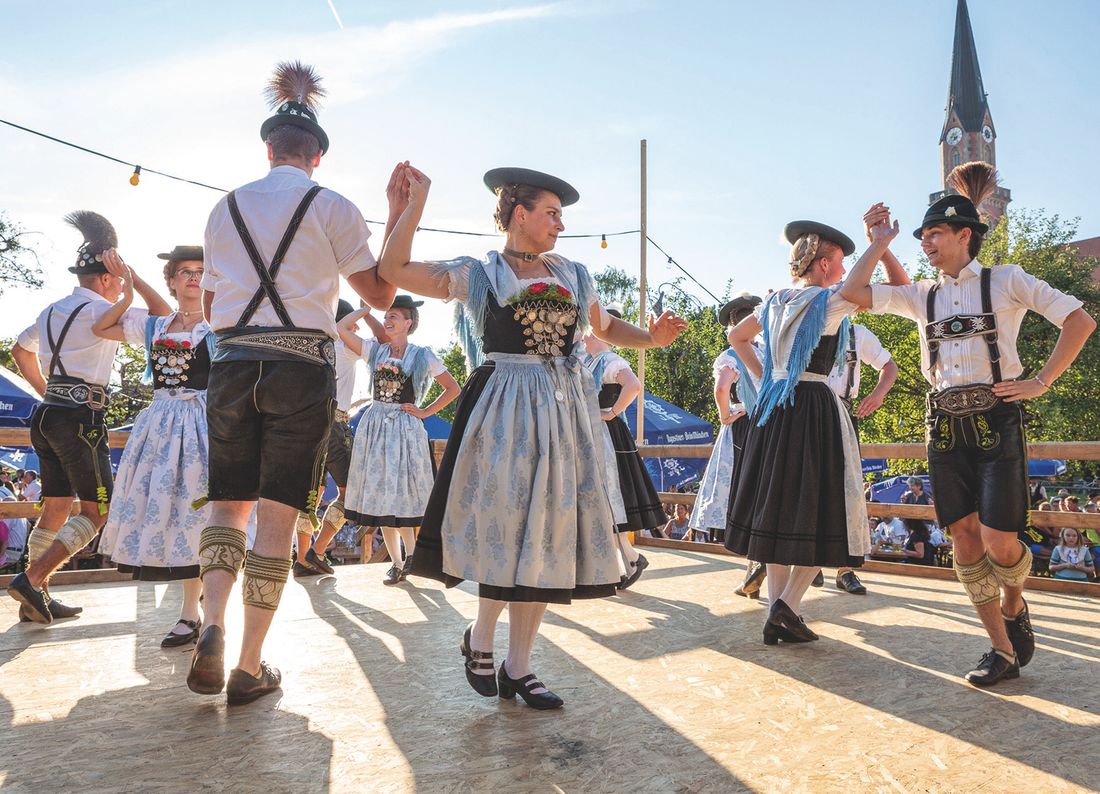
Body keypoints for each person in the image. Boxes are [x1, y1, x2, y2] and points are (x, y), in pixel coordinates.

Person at [379, 164, 685, 709]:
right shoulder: (482, 273)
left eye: (561, 216)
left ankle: (518, 667)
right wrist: (410, 209)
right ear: (519, 213)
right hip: (503, 409)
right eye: (551, 214)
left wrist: (655, 340)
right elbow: (395, 269)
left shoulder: (572, 272)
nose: (559, 225)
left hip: (565, 414)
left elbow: (608, 329)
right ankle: (479, 636)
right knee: (508, 523)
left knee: (547, 534)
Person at [187, 61, 396, 705]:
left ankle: (212, 622)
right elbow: (381, 293)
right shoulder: (331, 205)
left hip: (230, 366)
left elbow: (209, 309)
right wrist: (395, 215)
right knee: (277, 518)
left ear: (267, 147)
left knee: (228, 507)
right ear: (318, 156)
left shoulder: (224, 209)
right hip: (302, 367)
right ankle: (250, 665)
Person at [840, 161, 1096, 686]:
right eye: (922, 235)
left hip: (997, 417)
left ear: (964, 236)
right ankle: (1000, 651)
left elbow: (1080, 319)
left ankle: (1014, 604)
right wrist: (879, 243)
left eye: (934, 233)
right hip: (943, 423)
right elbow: (852, 292)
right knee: (962, 536)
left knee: (1002, 541)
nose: (926, 241)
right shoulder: (920, 296)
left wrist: (1042, 381)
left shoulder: (1006, 281)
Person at [725, 214, 900, 645]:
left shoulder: (775, 302)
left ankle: (780, 611)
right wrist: (879, 243)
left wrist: (768, 372)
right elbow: (868, 285)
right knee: (825, 508)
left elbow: (736, 336)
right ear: (823, 265)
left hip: (774, 407)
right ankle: (786, 607)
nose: (843, 270)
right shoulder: (828, 302)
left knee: (780, 510)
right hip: (813, 408)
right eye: (839, 261)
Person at [6, 212, 171, 623]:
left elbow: (19, 351)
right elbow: (165, 317)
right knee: (98, 511)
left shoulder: (51, 311)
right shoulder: (106, 311)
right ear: (107, 277)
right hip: (81, 419)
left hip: (46, 416)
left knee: (57, 505)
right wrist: (132, 280)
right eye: (114, 278)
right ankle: (33, 578)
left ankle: (36, 596)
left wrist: (48, 392)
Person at [93, 245, 253, 648]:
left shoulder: (220, 326)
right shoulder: (156, 327)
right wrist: (129, 292)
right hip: (160, 429)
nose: (194, 278)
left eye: (201, 271)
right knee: (174, 515)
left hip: (204, 425)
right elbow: (102, 327)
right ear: (172, 280)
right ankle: (190, 613)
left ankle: (198, 611)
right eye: (185, 272)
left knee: (199, 515)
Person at [339, 296, 460, 585]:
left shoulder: (422, 354)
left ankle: (411, 558)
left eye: (394, 316)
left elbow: (453, 388)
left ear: (409, 322)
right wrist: (367, 307)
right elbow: (342, 329)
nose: (388, 319)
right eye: (387, 315)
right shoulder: (375, 351)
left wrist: (425, 411)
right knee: (381, 496)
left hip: (404, 428)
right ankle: (397, 562)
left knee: (403, 495)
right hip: (376, 427)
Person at [292, 299, 388, 579]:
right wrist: (368, 308)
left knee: (312, 494)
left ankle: (302, 559)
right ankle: (317, 552)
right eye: (351, 321)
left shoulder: (310, 346)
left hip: (307, 423)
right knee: (352, 493)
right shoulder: (344, 345)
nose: (355, 326)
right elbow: (382, 338)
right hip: (335, 421)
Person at [580, 311, 667, 589]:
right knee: (602, 497)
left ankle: (628, 560)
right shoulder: (589, 360)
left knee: (610, 495)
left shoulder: (608, 361)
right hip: (593, 433)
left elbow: (634, 385)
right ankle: (625, 561)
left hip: (606, 435)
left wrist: (612, 413)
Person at [824, 321, 898, 595]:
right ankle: (809, 563)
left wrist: (877, 395)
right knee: (809, 488)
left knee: (849, 492)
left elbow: (889, 367)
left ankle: (846, 568)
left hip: (843, 412)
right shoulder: (805, 323)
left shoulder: (858, 333)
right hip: (805, 413)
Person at [690, 294, 762, 556]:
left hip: (742, 423)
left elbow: (722, 387)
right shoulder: (766, 352)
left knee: (740, 480)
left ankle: (742, 541)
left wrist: (724, 415)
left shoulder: (731, 355)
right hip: (769, 421)